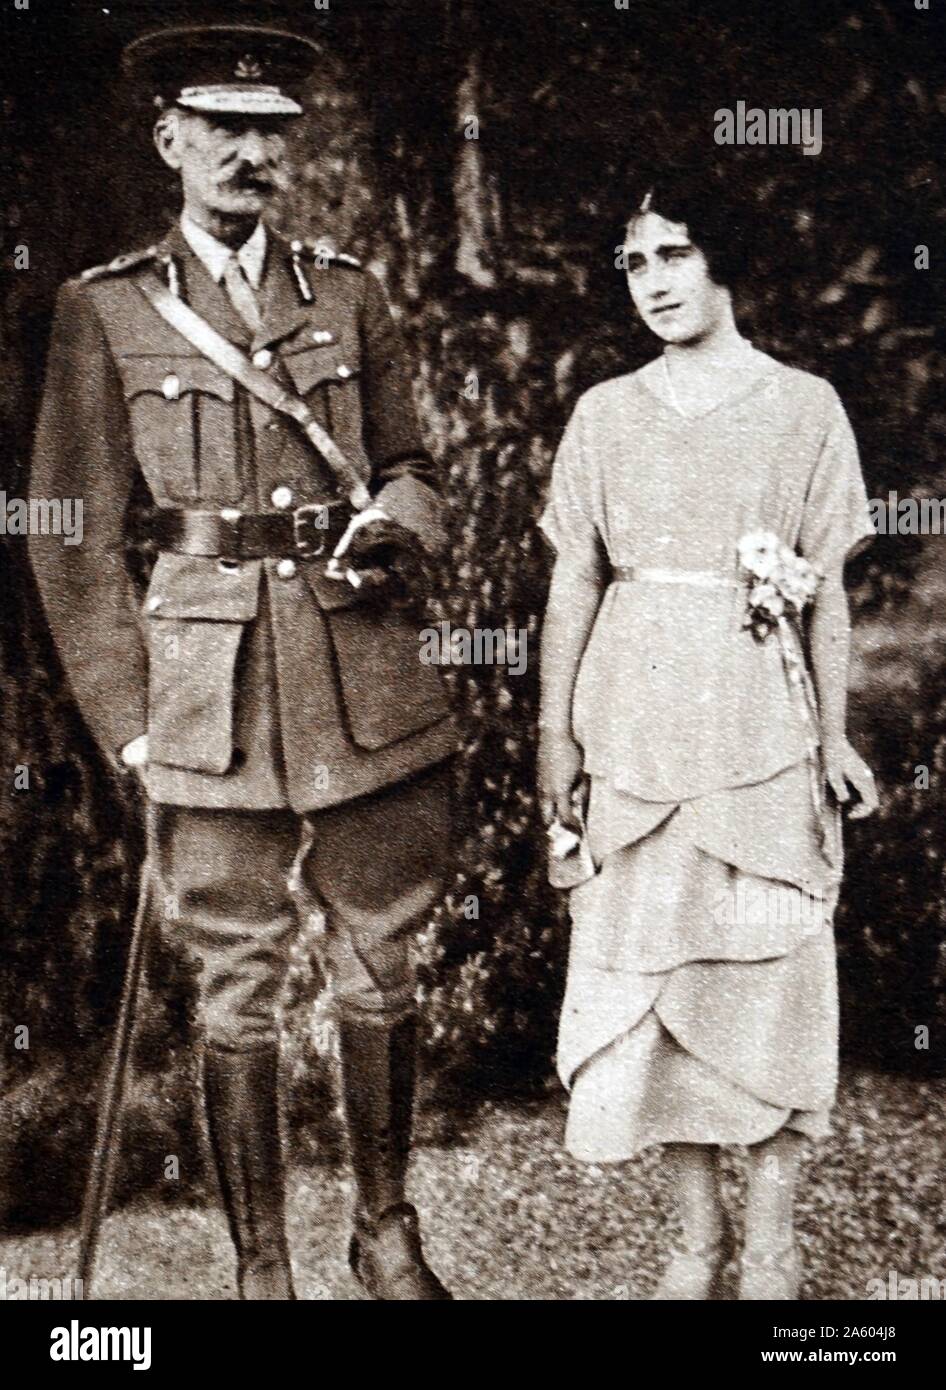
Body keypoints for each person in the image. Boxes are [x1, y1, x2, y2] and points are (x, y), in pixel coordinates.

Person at [28, 22, 457, 1301]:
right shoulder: (103, 309)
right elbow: (69, 535)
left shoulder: (350, 292)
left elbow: (413, 465)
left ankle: (386, 1234)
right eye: (221, 127)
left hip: (364, 677)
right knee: (235, 985)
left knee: (383, 958)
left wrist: (400, 521)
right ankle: (260, 1267)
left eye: (270, 129)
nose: (248, 151)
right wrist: (129, 723)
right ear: (171, 142)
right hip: (203, 702)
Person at [537, 170, 878, 1300]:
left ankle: (772, 1243)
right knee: (658, 977)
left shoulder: (803, 408)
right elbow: (573, 583)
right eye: (633, 263)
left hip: (758, 724)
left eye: (673, 254)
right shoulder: (603, 413)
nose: (651, 282)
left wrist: (832, 738)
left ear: (720, 260)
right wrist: (556, 740)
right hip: (630, 726)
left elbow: (826, 593)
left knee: (766, 965)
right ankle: (695, 1242)